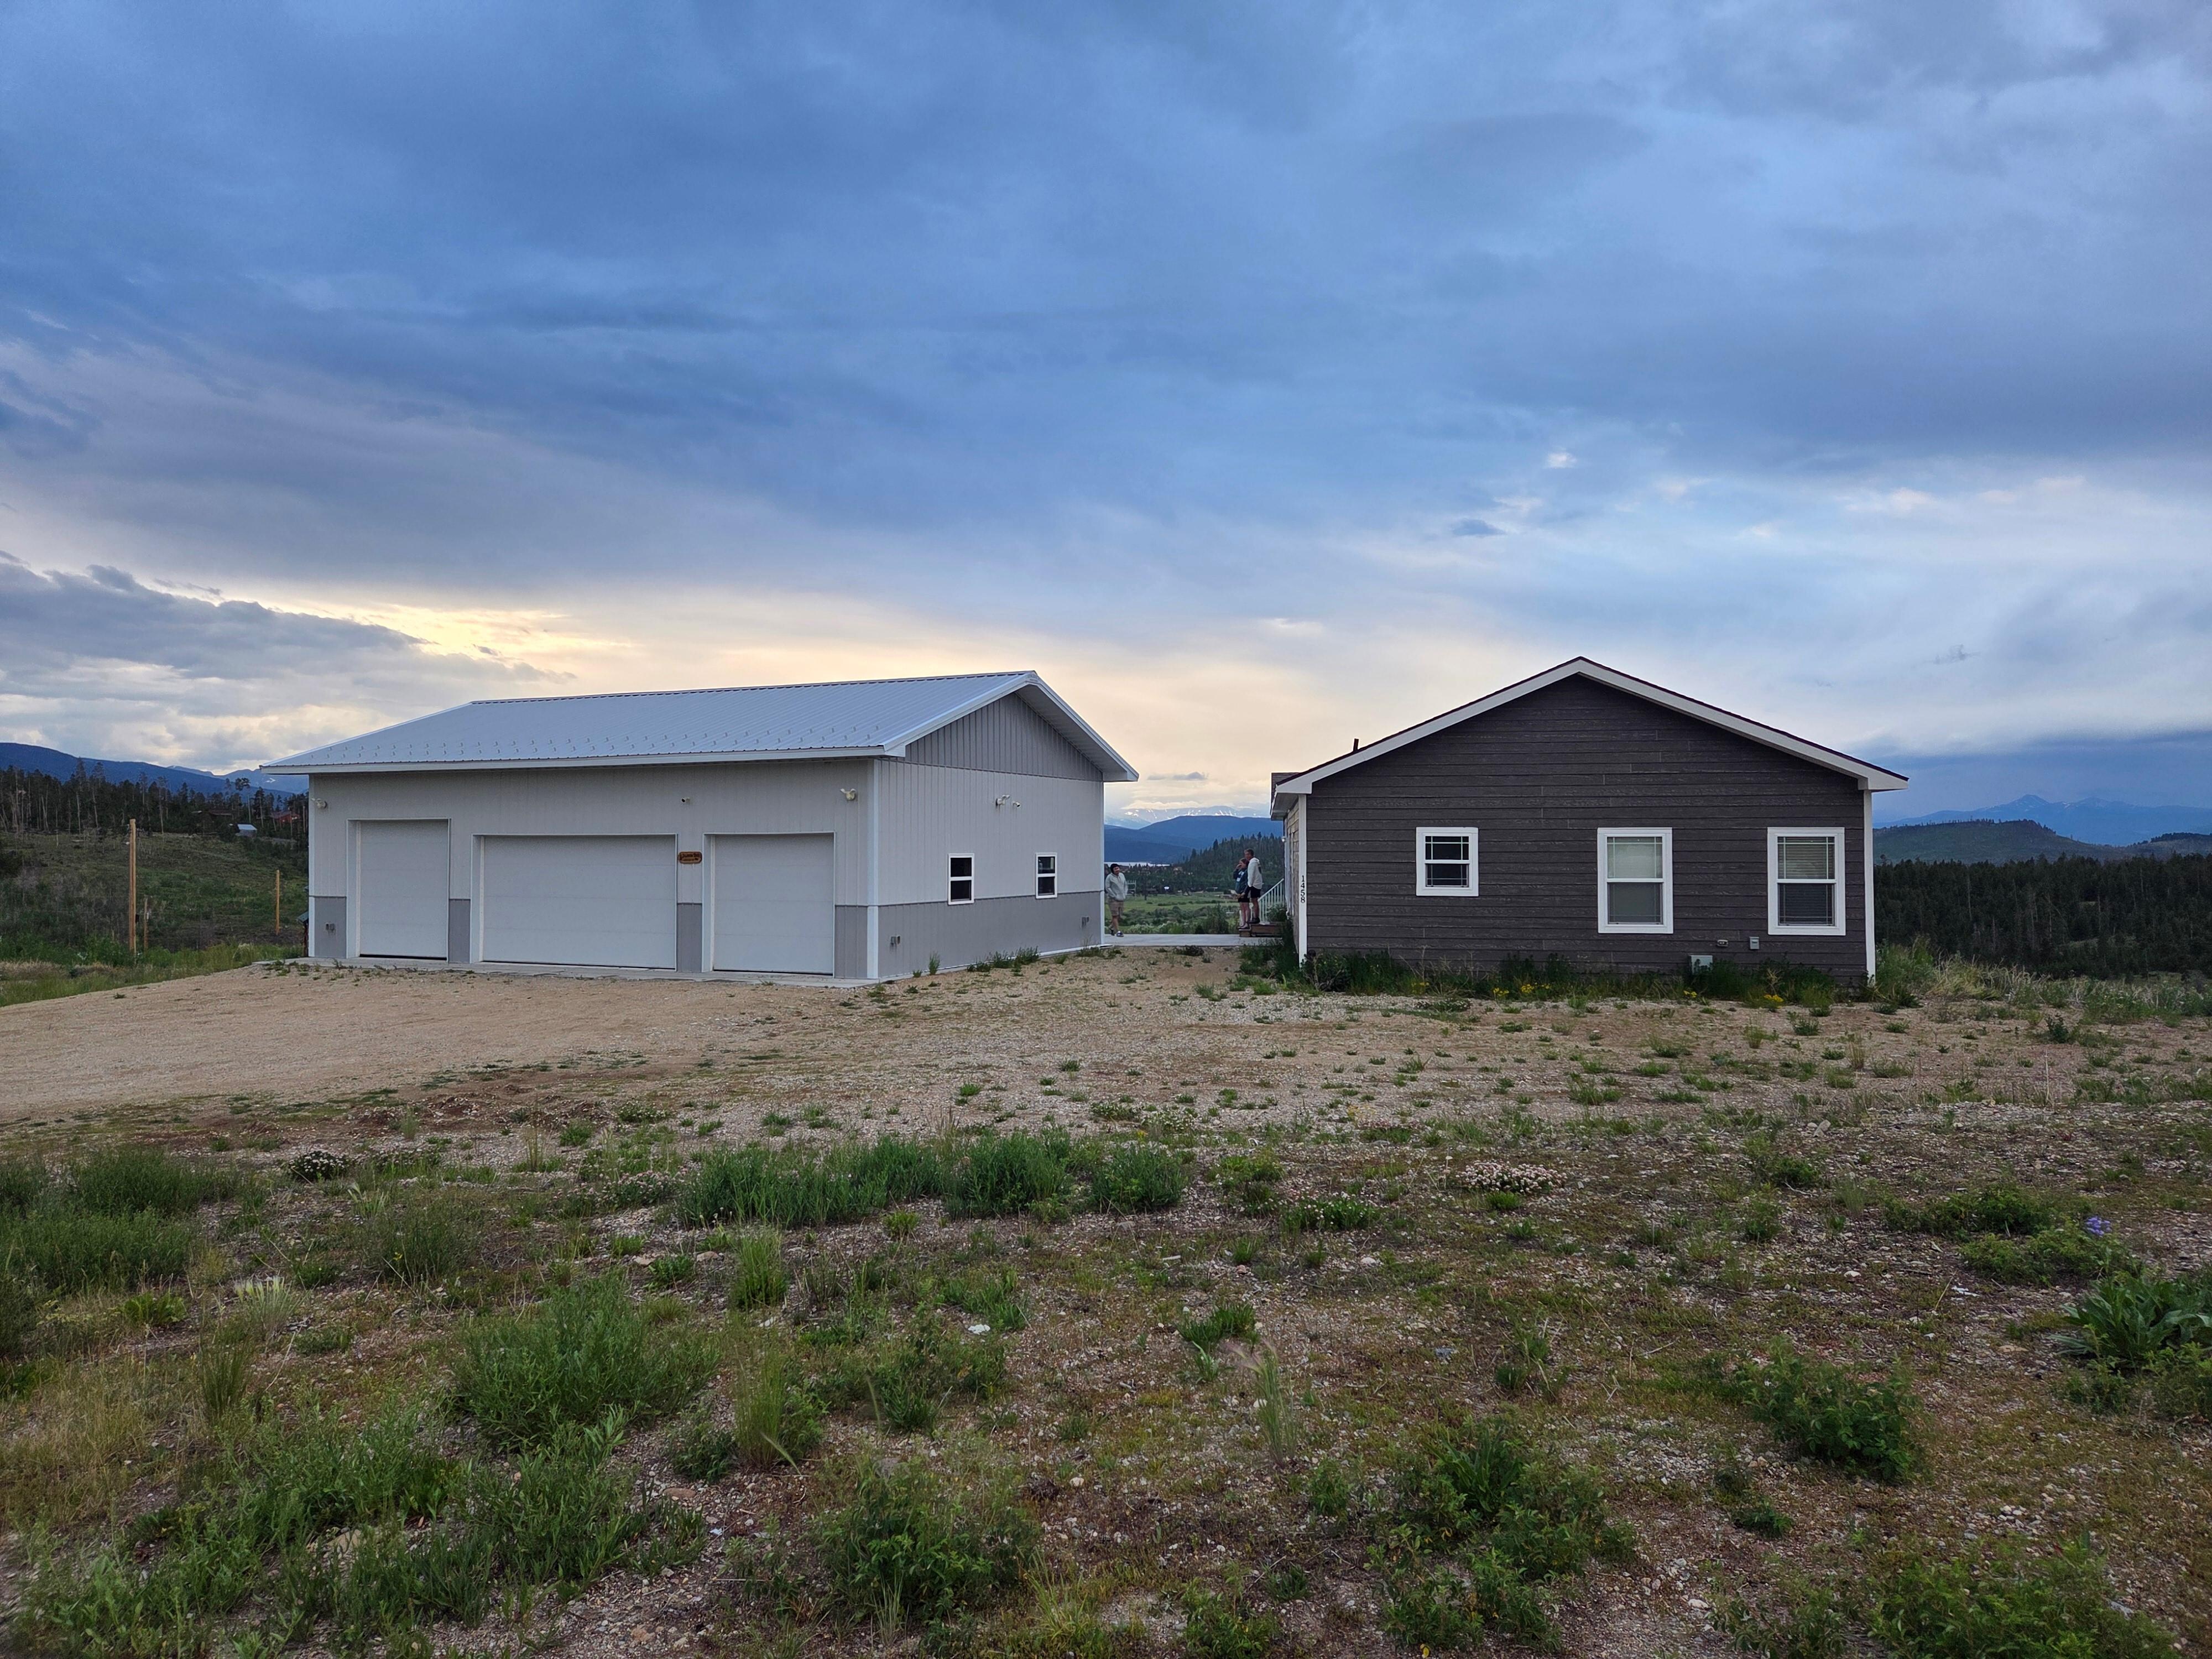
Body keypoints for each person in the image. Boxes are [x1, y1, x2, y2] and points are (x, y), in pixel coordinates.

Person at [1104, 863, 1128, 935]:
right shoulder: (1109, 878)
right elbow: (1107, 887)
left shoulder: (1122, 875)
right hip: (1113, 900)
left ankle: (1112, 927)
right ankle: (1118, 931)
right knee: (1115, 915)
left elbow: (1125, 885)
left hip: (1122, 898)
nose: (1117, 870)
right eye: (1115, 869)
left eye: (1118, 868)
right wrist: (1114, 896)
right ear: (1113, 870)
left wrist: (1125, 893)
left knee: (1119, 916)